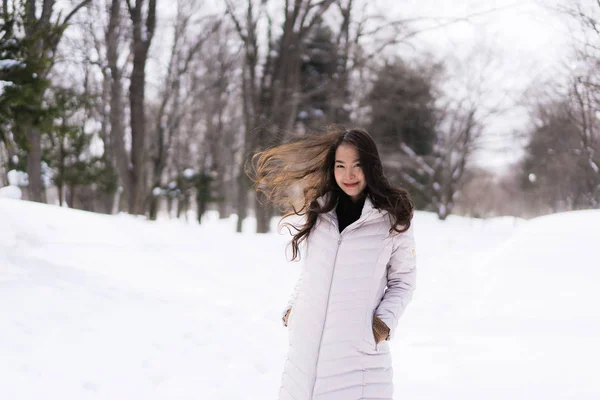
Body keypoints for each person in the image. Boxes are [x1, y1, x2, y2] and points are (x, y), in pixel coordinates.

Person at [250, 127, 417, 400]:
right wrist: (294, 309)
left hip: (357, 353)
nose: (348, 175)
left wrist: (382, 324)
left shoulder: (391, 218)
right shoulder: (320, 211)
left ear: (371, 167)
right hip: (306, 347)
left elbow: (404, 279)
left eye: (357, 166)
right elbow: (313, 270)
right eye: (340, 166)